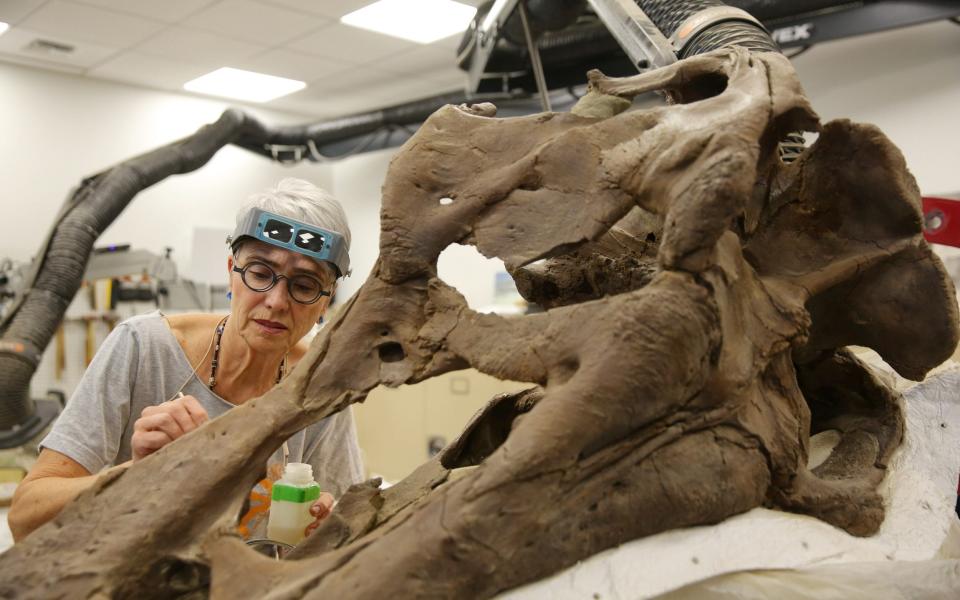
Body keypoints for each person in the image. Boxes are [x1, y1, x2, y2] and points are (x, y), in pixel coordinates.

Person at [8, 178, 364, 542]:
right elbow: (25, 517)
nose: (275, 300)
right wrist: (139, 474)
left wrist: (327, 527)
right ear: (231, 271)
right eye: (259, 273)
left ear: (326, 300)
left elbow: (349, 528)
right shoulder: (144, 349)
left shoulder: (320, 387)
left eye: (303, 286)